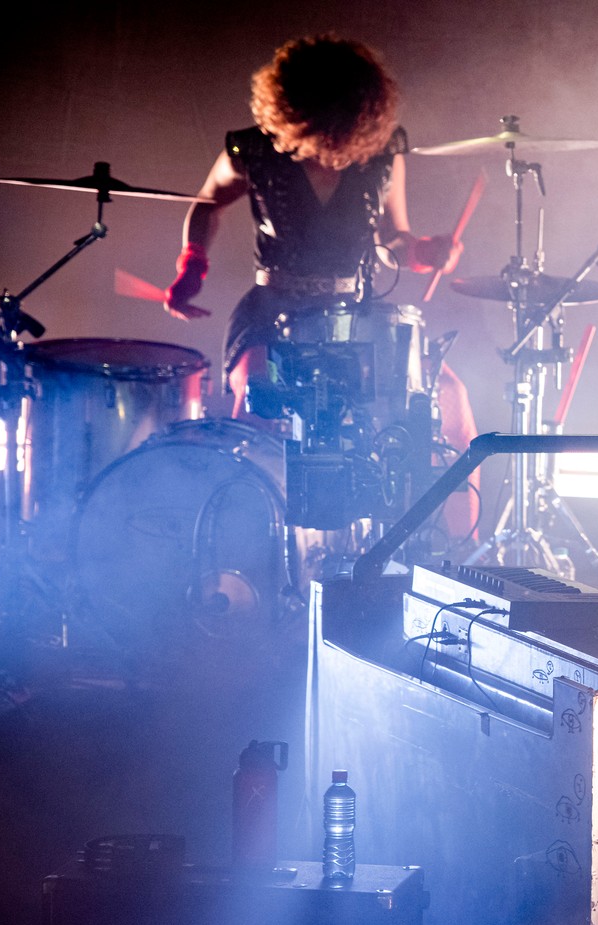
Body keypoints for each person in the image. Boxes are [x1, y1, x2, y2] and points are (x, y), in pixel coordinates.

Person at [163, 33, 480, 546]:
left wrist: (423, 252)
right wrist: (192, 264)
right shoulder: (252, 148)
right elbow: (206, 203)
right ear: (296, 112)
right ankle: (253, 555)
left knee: (451, 401)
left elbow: (393, 237)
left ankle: (466, 555)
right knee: (257, 411)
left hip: (357, 313)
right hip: (274, 308)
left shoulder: (382, 151)